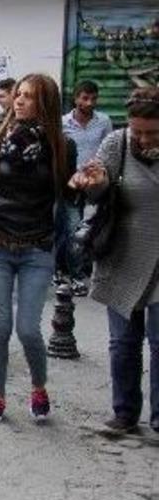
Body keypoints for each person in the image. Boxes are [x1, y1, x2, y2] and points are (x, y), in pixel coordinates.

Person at [0, 73, 70, 424]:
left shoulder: (60, 145)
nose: (18, 101)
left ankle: (38, 387)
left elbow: (71, 194)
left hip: (37, 248)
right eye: (18, 95)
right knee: (0, 327)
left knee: (29, 329)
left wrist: (88, 185)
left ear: (45, 104)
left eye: (29, 97)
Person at [69, 87, 159, 438]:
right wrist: (94, 182)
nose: (145, 138)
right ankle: (124, 413)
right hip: (122, 255)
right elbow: (97, 187)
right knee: (123, 342)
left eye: (153, 132)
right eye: (139, 131)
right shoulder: (117, 144)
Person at [59, 80, 114, 295]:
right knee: (73, 229)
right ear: (76, 98)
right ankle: (74, 274)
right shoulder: (63, 123)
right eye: (85, 98)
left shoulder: (104, 122)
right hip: (71, 184)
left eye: (93, 98)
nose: (89, 103)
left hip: (96, 185)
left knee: (93, 228)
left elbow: (109, 151)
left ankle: (84, 269)